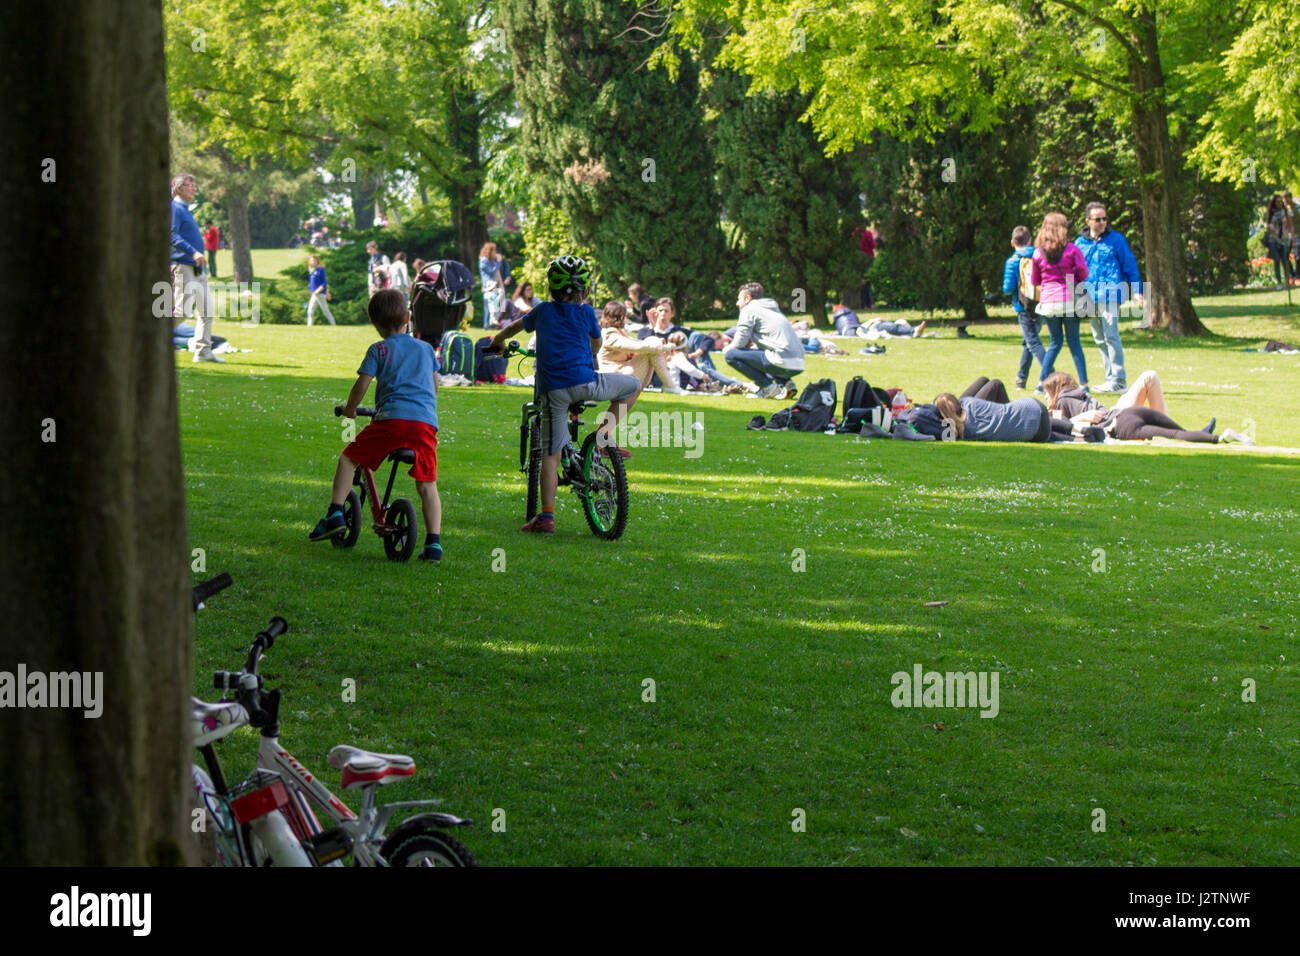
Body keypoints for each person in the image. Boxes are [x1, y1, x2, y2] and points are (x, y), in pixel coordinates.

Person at [488, 256, 641, 534]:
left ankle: (546, 517)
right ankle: (604, 437)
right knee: (633, 385)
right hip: (587, 383)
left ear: (550, 287)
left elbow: (515, 327)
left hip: (553, 392)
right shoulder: (586, 313)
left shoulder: (542, 311)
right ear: (585, 288)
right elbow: (596, 345)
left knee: (551, 454)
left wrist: (497, 342)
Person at [309, 289, 445, 561]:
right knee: (427, 484)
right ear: (408, 317)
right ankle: (433, 544)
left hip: (391, 420)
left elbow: (362, 384)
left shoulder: (378, 349)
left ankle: (335, 512)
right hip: (425, 425)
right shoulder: (426, 349)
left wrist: (349, 411)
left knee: (348, 459)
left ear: (375, 324)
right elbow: (435, 386)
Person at [1041, 370, 1250, 444]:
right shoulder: (1079, 392)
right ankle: (1196, 434)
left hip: (1117, 420)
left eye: (1045, 393)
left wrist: (1080, 417)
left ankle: (1207, 437)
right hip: (1121, 412)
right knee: (1174, 432)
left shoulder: (1060, 401)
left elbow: (1061, 425)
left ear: (1053, 391)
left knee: (1172, 437)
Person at [1075, 202, 1142, 392]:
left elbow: (1130, 266)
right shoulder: (1080, 243)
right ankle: (1110, 377)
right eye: (1098, 219)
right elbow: (1074, 270)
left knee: (1111, 335)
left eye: (1105, 218)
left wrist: (1137, 291)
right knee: (1098, 338)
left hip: (1111, 294)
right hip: (1089, 296)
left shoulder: (1117, 240)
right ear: (1088, 221)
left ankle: (1119, 380)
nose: (1103, 222)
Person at [1031, 212, 1089, 387]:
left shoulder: (1037, 253)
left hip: (1049, 301)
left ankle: (1041, 382)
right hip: (1069, 300)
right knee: (1074, 342)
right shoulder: (1072, 249)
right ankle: (1084, 384)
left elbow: (1035, 280)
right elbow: (1084, 273)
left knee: (1055, 342)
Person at [169, 174, 222, 363]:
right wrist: (193, 252)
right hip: (184, 265)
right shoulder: (174, 208)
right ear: (178, 188)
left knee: (207, 311)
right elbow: (172, 235)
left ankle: (203, 352)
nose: (194, 188)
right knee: (182, 311)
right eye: (190, 185)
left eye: (194, 185)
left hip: (197, 268)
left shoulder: (185, 209)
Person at [723, 282, 805, 399]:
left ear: (747, 299)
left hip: (781, 361)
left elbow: (740, 340)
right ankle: (788, 384)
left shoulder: (749, 309)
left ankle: (768, 388)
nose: (737, 303)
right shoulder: (772, 310)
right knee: (763, 352)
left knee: (731, 355)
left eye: (739, 299)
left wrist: (727, 348)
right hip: (799, 363)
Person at [596, 301, 682, 406]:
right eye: (625, 316)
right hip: (613, 377)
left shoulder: (618, 332)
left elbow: (640, 343)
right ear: (620, 317)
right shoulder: (609, 334)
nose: (627, 319)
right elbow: (639, 346)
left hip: (621, 373)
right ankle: (669, 385)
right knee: (652, 346)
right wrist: (664, 347)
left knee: (653, 341)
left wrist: (654, 334)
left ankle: (669, 385)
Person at [933, 377, 1052, 442]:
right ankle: (1066, 425)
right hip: (1033, 408)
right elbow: (993, 383)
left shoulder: (966, 432)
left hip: (1037, 429)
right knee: (992, 382)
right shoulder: (970, 403)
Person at [1001, 225, 1045, 392]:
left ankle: (1049, 375)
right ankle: (1021, 378)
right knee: (1029, 341)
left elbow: (1007, 288)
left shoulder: (1012, 261)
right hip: (1039, 304)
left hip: (1022, 306)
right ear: (1030, 241)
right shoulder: (1039, 257)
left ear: (1013, 242)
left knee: (1033, 342)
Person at [683, 330, 752, 393]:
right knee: (703, 367)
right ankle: (740, 384)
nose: (720, 347)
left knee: (705, 367)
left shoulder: (732, 333)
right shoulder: (679, 358)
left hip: (695, 376)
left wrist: (697, 353)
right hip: (692, 377)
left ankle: (719, 382)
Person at [1264, 194, 1294, 291]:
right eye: (1277, 202)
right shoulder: (1271, 213)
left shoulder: (1286, 212)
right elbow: (1267, 224)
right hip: (1273, 239)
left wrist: (1292, 237)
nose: (1279, 204)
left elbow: (1290, 226)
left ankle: (1287, 280)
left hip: (1284, 239)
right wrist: (1270, 227)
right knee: (1276, 260)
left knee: (1285, 260)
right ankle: (1279, 283)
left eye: (1281, 202)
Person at [478, 241, 503, 330]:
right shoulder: (483, 260)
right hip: (488, 286)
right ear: (489, 251)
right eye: (494, 251)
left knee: (493, 306)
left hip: (492, 285)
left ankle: (490, 324)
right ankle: (486, 325)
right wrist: (498, 262)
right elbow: (491, 272)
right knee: (488, 307)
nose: (495, 253)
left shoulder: (491, 260)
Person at [306, 254, 335, 327]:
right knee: (310, 311)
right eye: (312, 260)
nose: (313, 261)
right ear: (309, 262)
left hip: (319, 294)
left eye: (315, 260)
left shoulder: (320, 270)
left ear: (317, 261)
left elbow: (324, 282)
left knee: (325, 311)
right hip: (314, 294)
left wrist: (321, 291)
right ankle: (309, 326)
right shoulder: (311, 270)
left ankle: (333, 325)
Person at [851, 224, 876, 309]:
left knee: (862, 281)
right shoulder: (867, 233)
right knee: (867, 281)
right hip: (868, 258)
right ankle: (868, 304)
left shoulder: (853, 233)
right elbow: (873, 245)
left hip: (857, 259)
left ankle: (863, 304)